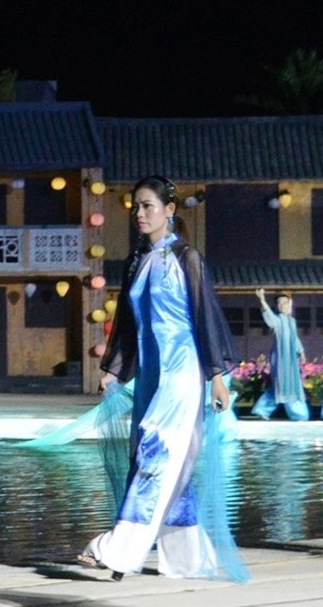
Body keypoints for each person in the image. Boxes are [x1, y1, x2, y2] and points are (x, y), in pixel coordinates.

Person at [78, 176, 246, 582]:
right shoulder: (136, 261)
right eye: (136, 206)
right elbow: (126, 324)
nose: (139, 214)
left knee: (156, 451)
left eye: (148, 206)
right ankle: (185, 556)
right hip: (153, 373)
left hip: (184, 371)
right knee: (167, 460)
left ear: (170, 210)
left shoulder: (187, 258)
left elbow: (205, 318)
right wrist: (115, 370)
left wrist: (217, 377)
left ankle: (117, 547)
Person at [251, 287, 309, 421]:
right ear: (277, 306)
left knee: (290, 383)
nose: (282, 305)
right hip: (281, 357)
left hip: (291, 358)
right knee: (281, 383)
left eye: (285, 303)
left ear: (290, 304)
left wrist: (301, 351)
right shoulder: (277, 320)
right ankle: (297, 413)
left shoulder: (292, 322)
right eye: (279, 303)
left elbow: (295, 338)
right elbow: (269, 315)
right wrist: (262, 300)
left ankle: (263, 409)